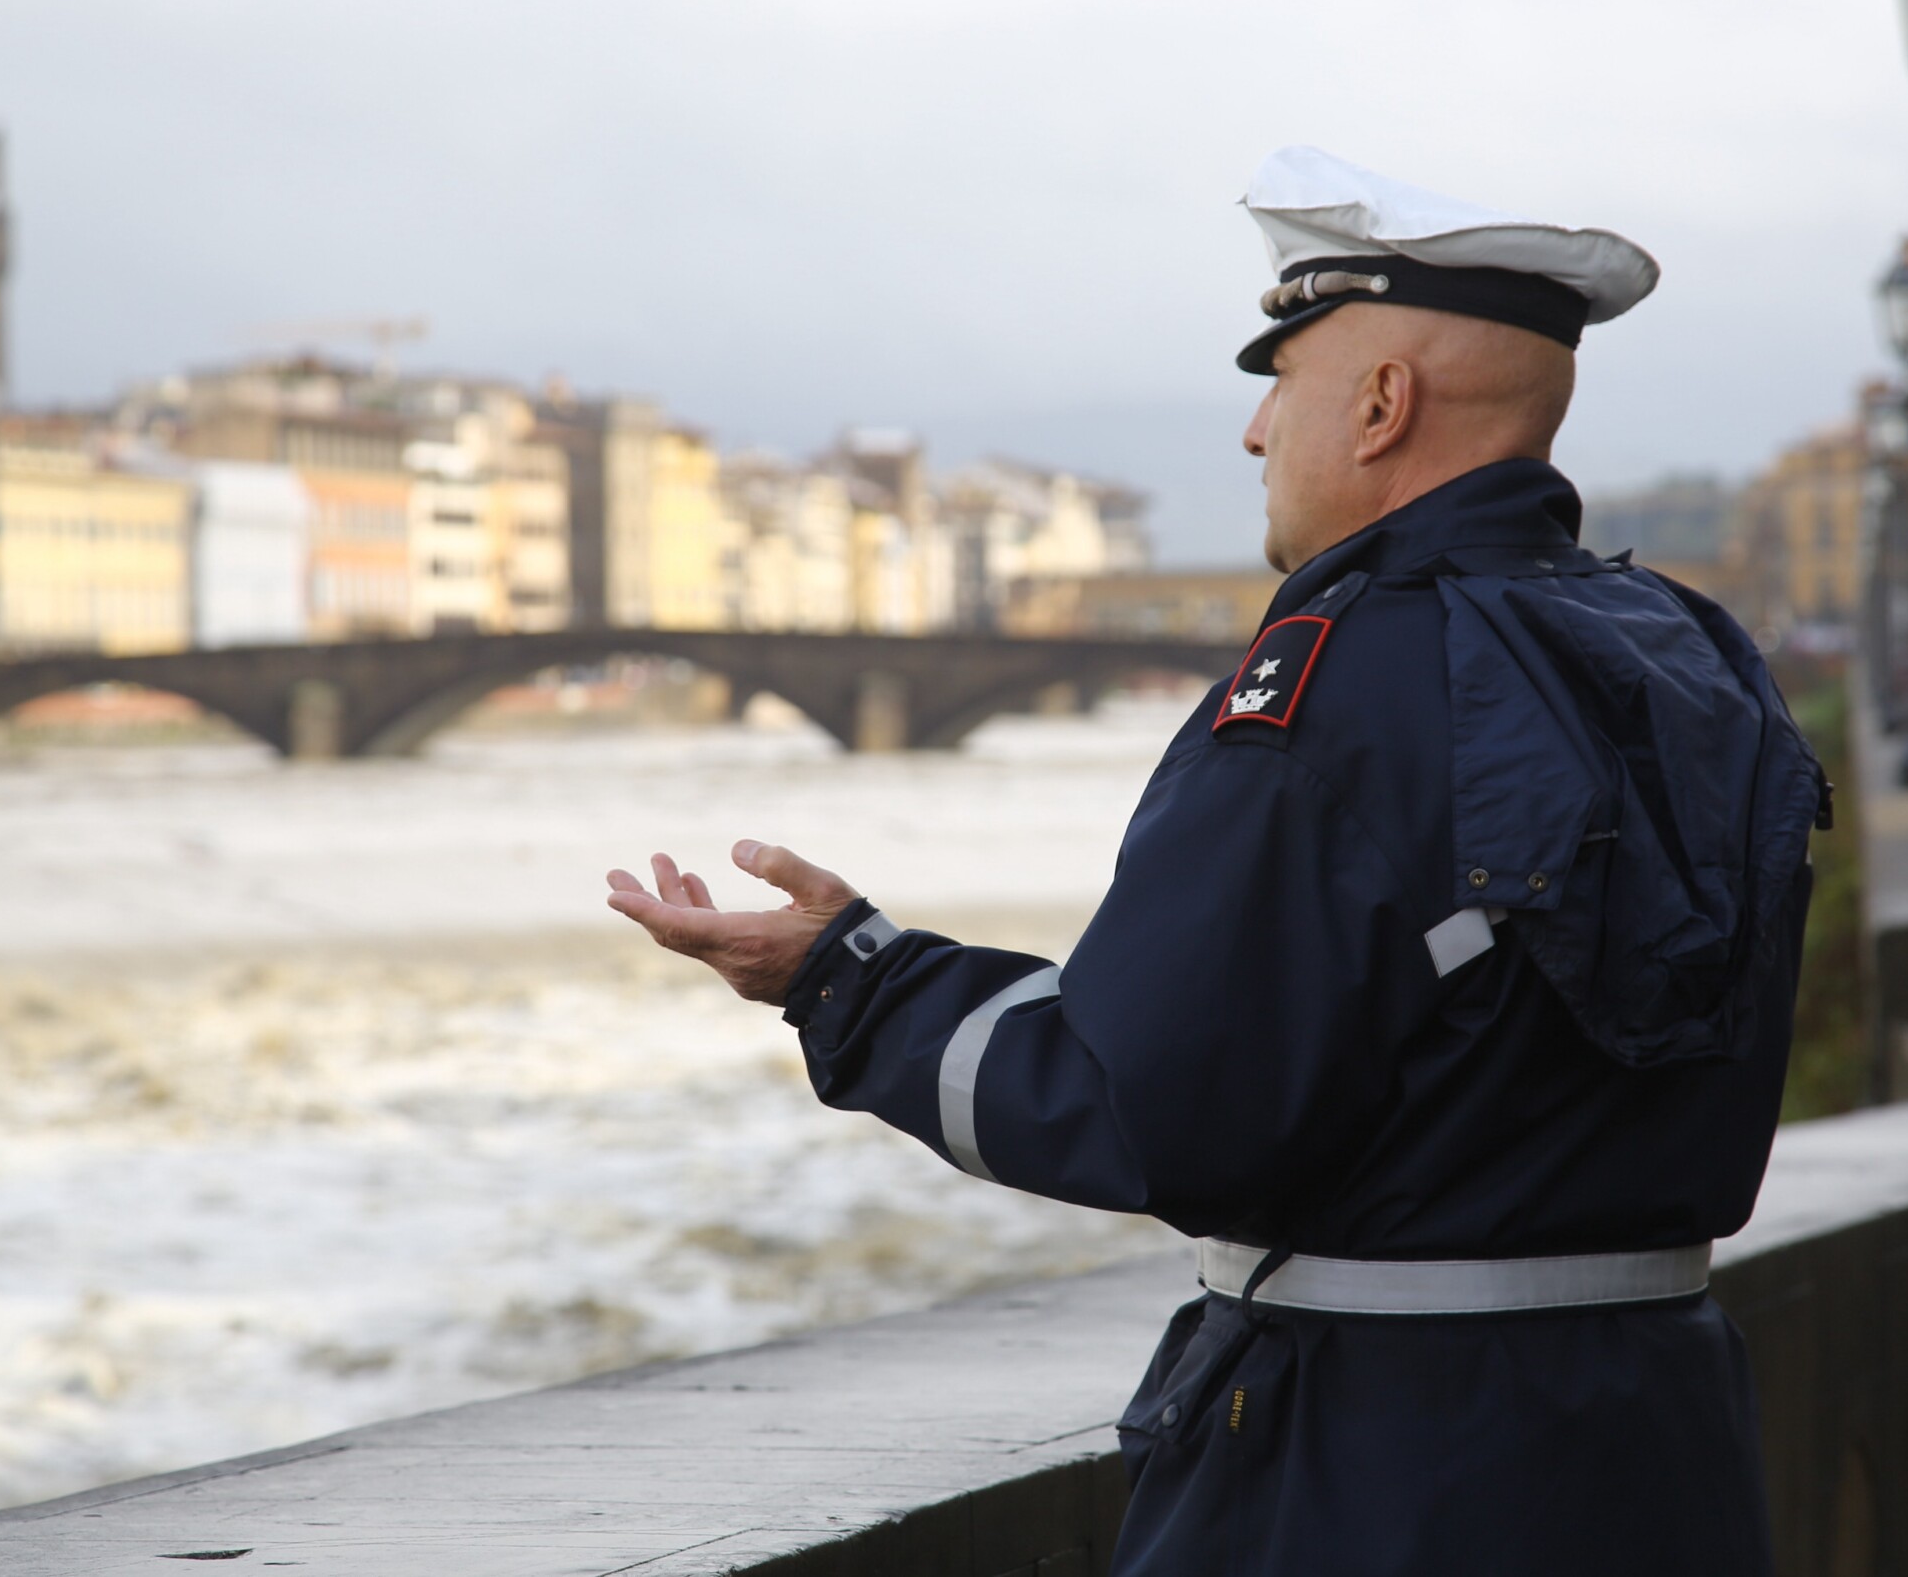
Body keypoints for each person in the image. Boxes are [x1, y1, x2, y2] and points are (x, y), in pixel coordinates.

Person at [606, 146, 1827, 1576]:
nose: (1255, 433)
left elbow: (1150, 1106)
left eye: (1283, 377)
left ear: (1382, 403)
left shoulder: (1343, 676)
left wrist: (843, 977)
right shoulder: (1700, 658)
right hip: (1663, 1439)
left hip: (1379, 1472)